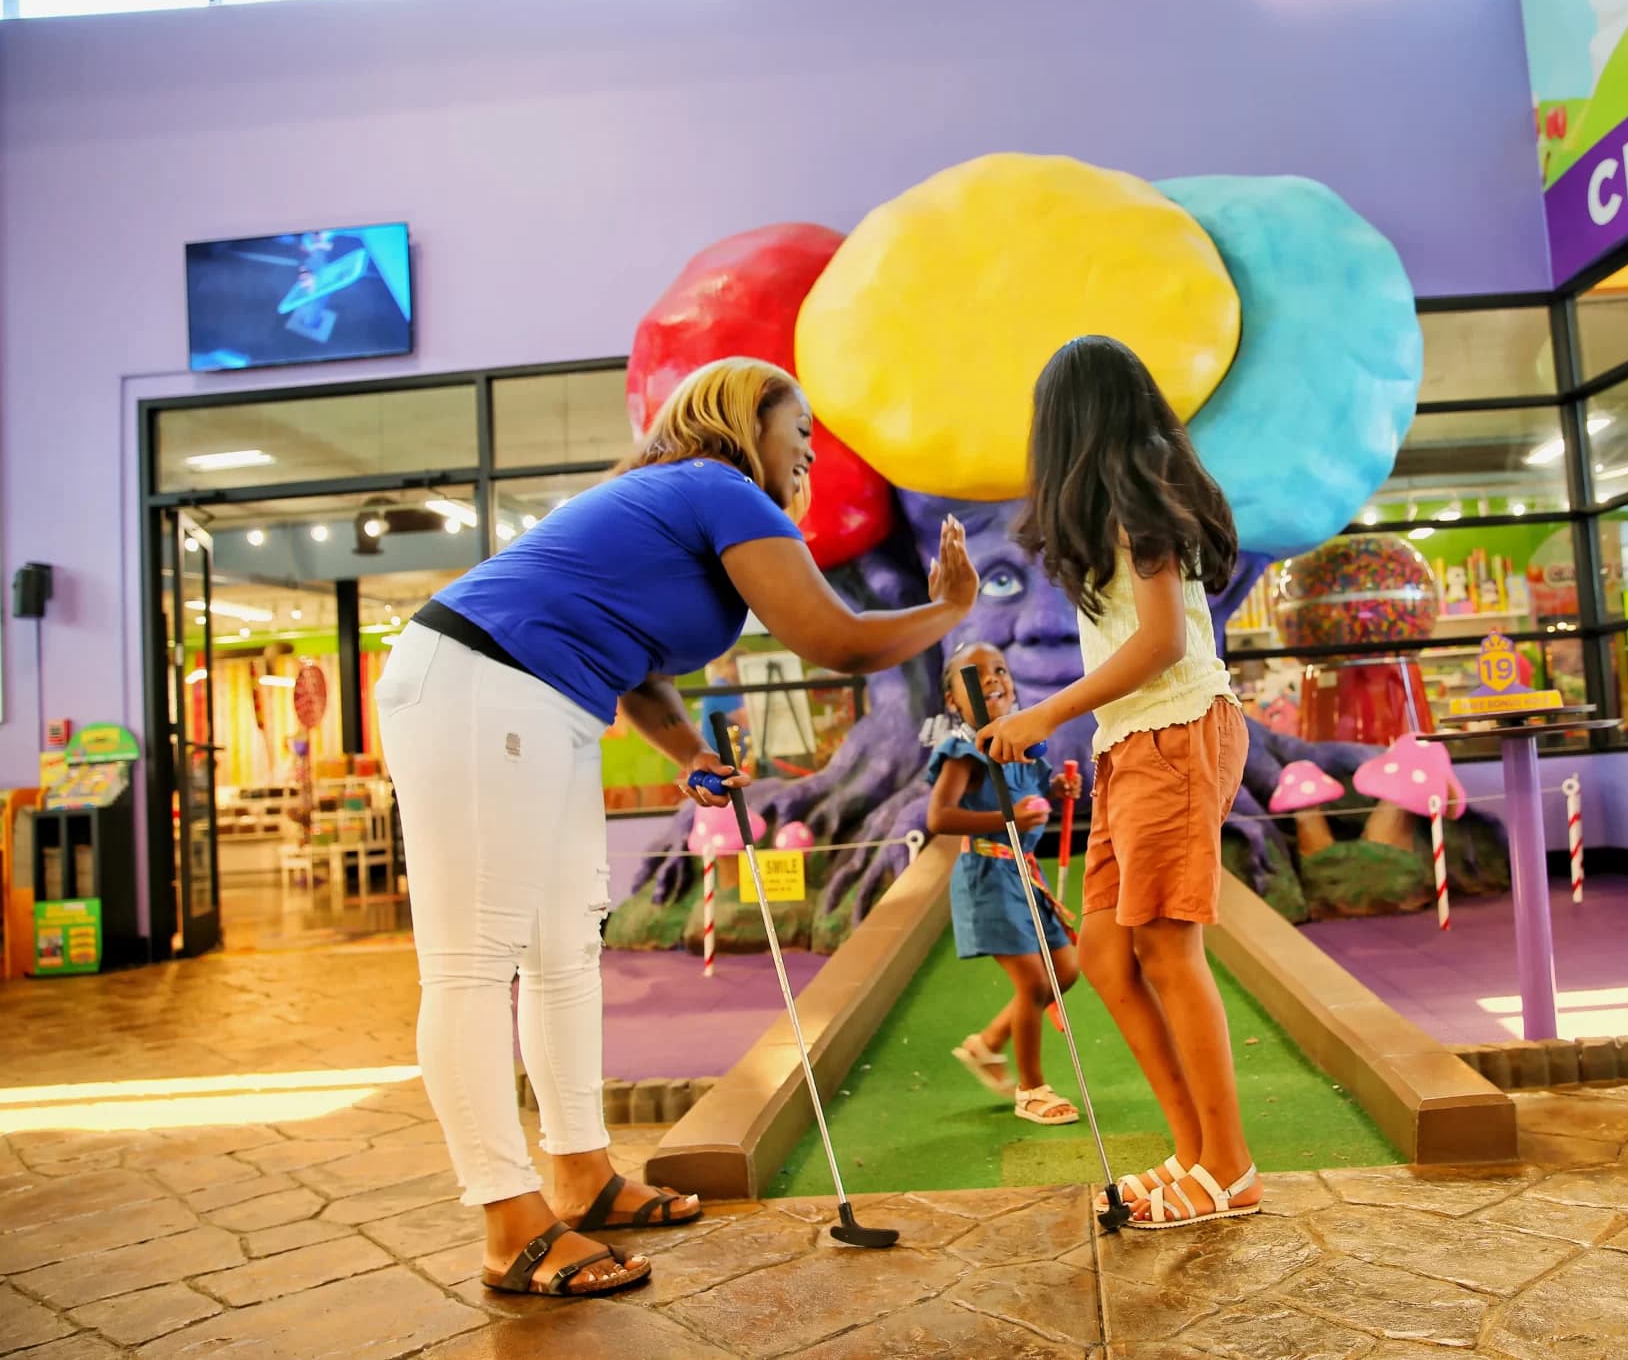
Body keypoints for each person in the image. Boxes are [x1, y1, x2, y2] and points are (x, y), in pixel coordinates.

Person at [374, 356, 977, 1297]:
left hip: (551, 699)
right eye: (800, 429)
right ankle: (508, 1219)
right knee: (474, 960)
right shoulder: (719, 486)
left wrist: (689, 750)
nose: (811, 449)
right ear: (747, 425)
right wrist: (949, 609)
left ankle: (579, 1175)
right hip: (481, 682)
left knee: (565, 949)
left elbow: (636, 657)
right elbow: (838, 641)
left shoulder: (681, 503)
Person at [977, 334, 1259, 1230]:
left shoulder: (1142, 502)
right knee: (1103, 954)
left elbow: (1163, 643)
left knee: (1170, 951)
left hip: (1174, 731)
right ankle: (1193, 1153)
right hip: (1130, 741)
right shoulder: (1118, 505)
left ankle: (1230, 1165)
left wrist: (1042, 712)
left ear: (1066, 422)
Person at [925, 641, 1084, 1126]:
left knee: (1066, 970)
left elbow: (1036, 790)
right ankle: (1031, 1089)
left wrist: (1057, 789)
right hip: (987, 875)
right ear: (954, 701)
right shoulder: (963, 752)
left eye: (999, 669)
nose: (992, 678)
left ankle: (989, 1043)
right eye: (974, 676)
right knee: (1035, 982)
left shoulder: (1022, 745)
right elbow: (938, 817)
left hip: (1023, 873)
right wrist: (1007, 815)